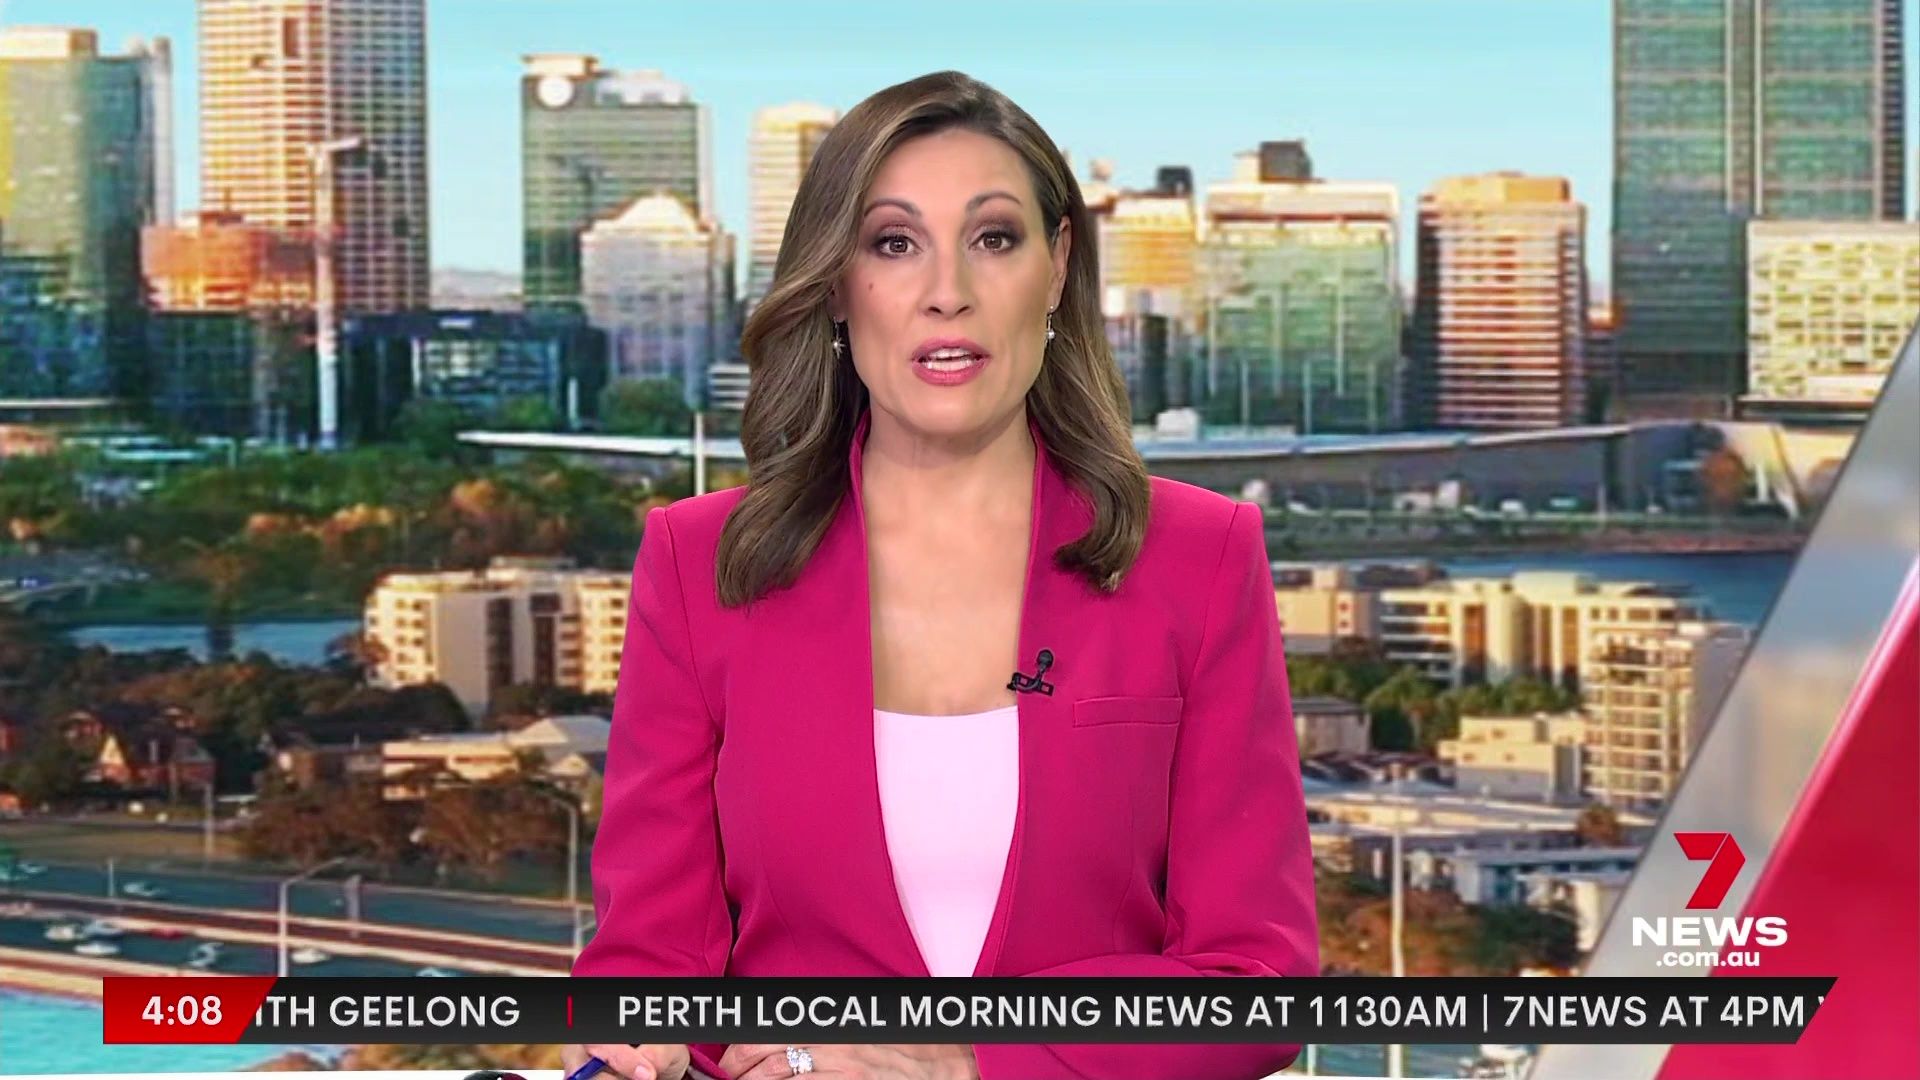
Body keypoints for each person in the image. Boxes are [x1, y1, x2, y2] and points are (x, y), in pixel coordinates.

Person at [561, 69, 1317, 1080]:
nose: (946, 289)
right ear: (837, 283)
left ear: (1057, 268)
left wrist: (964, 1059)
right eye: (893, 243)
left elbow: (1256, 985)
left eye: (994, 238)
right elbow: (653, 960)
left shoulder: (1199, 555)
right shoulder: (700, 563)